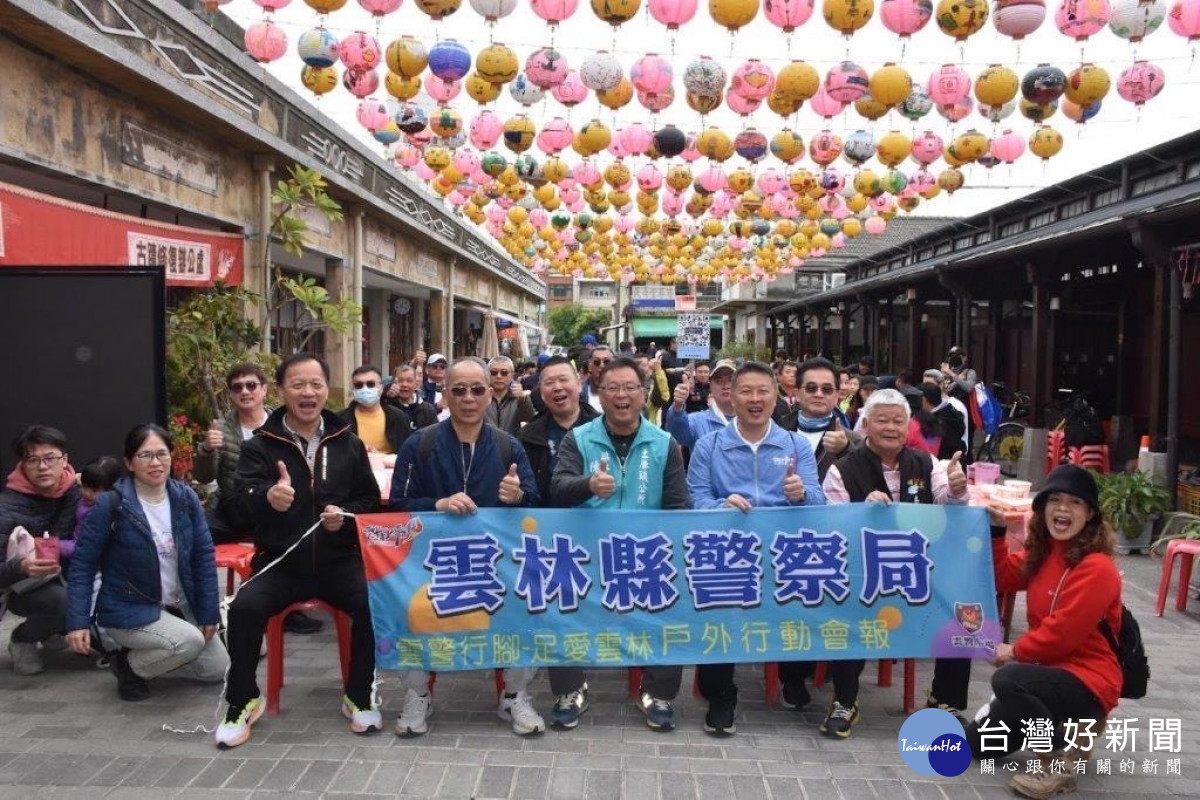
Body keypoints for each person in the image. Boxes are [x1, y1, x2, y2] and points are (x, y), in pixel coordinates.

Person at [216, 353, 384, 749]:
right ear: (281, 391)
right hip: (280, 563)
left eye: (316, 384)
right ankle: (243, 699)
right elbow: (235, 504)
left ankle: (358, 693)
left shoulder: (349, 443)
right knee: (243, 608)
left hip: (338, 561)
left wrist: (343, 516)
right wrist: (266, 497)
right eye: (298, 385)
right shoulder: (260, 447)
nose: (308, 393)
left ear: (327, 389)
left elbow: (369, 502)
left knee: (372, 602)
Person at [389, 357, 541, 738]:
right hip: (431, 565)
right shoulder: (419, 444)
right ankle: (418, 694)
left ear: (490, 395)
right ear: (445, 395)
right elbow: (395, 508)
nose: (468, 398)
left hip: (497, 566)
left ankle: (514, 695)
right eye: (459, 390)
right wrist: (435, 505)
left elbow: (537, 506)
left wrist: (516, 496)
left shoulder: (510, 447)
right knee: (406, 607)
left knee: (528, 606)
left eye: (477, 390)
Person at [966, 465, 1122, 800]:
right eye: (1055, 500)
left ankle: (1059, 762)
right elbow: (1003, 577)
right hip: (1045, 673)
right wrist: (996, 532)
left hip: (1088, 680)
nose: (1063, 509)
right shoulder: (1045, 553)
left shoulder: (1098, 568)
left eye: (1074, 503)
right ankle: (1065, 730)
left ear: (1090, 514)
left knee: (1008, 680)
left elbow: (1064, 633)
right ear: (1042, 508)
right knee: (976, 745)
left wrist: (1016, 651)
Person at [820, 388, 969, 738]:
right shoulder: (842, 470)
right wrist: (860, 511)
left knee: (963, 610)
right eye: (882, 420)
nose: (890, 427)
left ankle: (944, 699)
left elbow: (950, 502)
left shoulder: (926, 463)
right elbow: (831, 527)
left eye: (898, 421)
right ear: (866, 425)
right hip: (862, 573)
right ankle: (845, 700)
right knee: (846, 606)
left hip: (918, 571)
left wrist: (959, 488)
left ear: (909, 427)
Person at [687, 362, 826, 736]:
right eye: (745, 391)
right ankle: (722, 694)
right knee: (719, 601)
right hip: (728, 550)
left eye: (763, 391)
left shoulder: (795, 444)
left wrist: (801, 495)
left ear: (776, 396)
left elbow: (818, 499)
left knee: (808, 587)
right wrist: (720, 506)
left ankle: (793, 676)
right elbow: (695, 498)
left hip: (783, 551)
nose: (754, 399)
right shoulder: (709, 444)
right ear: (731, 395)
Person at [551, 356, 690, 730]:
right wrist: (588, 485)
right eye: (612, 388)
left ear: (644, 395)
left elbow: (679, 507)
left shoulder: (664, 443)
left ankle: (657, 693)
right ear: (599, 394)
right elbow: (558, 488)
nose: (622, 396)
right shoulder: (578, 438)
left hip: (646, 556)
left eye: (631, 388)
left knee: (670, 600)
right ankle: (570, 689)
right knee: (559, 593)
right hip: (587, 554)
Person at [66, 424, 228, 701]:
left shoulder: (185, 498)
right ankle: (127, 666)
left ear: (171, 457)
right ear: (129, 462)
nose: (155, 463)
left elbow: (203, 558)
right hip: (130, 608)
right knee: (188, 643)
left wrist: (208, 612)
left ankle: (165, 647)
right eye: (145, 456)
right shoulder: (111, 504)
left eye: (161, 454)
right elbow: (82, 565)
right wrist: (77, 621)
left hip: (179, 603)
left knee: (217, 670)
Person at [194, 364, 322, 634]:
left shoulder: (286, 423)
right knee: (192, 534)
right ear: (231, 394)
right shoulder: (223, 428)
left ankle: (288, 608)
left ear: (264, 390)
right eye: (237, 387)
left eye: (251, 385)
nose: (245, 391)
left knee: (294, 531)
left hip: (278, 505)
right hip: (235, 506)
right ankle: (195, 607)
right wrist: (206, 450)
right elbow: (204, 478)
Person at [773, 358, 862, 708]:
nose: (819, 395)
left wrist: (852, 446)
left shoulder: (854, 436)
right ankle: (793, 678)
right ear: (795, 392)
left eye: (828, 389)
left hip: (836, 543)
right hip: (781, 539)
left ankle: (836, 684)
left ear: (839, 394)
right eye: (811, 388)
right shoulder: (776, 429)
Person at [518, 356, 599, 729]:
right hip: (550, 541)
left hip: (600, 535)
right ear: (540, 390)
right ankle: (568, 688)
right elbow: (529, 497)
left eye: (564, 380)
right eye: (548, 382)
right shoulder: (529, 436)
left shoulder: (604, 426)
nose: (557, 388)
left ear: (579, 382)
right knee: (558, 604)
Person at [0, 425, 81, 675]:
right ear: (23, 464)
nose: (43, 466)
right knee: (67, 603)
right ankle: (23, 639)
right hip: (22, 587)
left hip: (67, 575)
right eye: (33, 459)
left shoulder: (77, 491)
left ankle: (52, 629)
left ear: (64, 460)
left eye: (50, 458)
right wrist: (21, 567)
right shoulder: (7, 506)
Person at [664, 359, 737, 450]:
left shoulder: (752, 421)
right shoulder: (697, 421)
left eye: (731, 380)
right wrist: (677, 406)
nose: (726, 386)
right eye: (719, 381)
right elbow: (678, 435)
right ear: (711, 386)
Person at [340, 364, 414, 455]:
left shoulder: (398, 417)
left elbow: (407, 452)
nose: (365, 389)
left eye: (370, 384)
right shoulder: (341, 421)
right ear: (354, 390)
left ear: (381, 388)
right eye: (359, 385)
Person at [74, 456, 124, 541]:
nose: (87, 493)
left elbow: (83, 545)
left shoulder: (106, 515)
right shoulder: (81, 497)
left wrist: (57, 545)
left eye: (94, 490)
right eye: (84, 486)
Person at [484, 356, 536, 436]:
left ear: (512, 375)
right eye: (493, 372)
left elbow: (529, 418)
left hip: (510, 445)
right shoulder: (480, 395)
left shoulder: (518, 397)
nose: (499, 376)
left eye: (504, 373)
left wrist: (523, 399)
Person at [924, 369, 970, 455]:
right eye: (924, 385)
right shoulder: (924, 405)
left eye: (930, 385)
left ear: (941, 385)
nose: (925, 389)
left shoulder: (956, 406)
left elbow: (962, 437)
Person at [384, 364, 440, 430]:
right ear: (393, 383)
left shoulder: (428, 410)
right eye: (400, 381)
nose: (404, 384)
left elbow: (434, 435)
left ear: (416, 384)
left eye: (409, 381)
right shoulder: (387, 407)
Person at [921, 382, 966, 462]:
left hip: (943, 465)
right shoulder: (950, 410)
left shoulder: (936, 422)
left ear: (924, 400)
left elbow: (930, 450)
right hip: (954, 460)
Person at [579, 345, 614, 414]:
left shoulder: (625, 390)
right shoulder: (579, 392)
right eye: (597, 362)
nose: (602, 365)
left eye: (606, 361)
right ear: (589, 366)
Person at [772, 361, 801, 432]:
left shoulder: (804, 396)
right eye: (788, 372)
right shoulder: (772, 395)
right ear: (779, 376)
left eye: (795, 373)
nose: (792, 375)